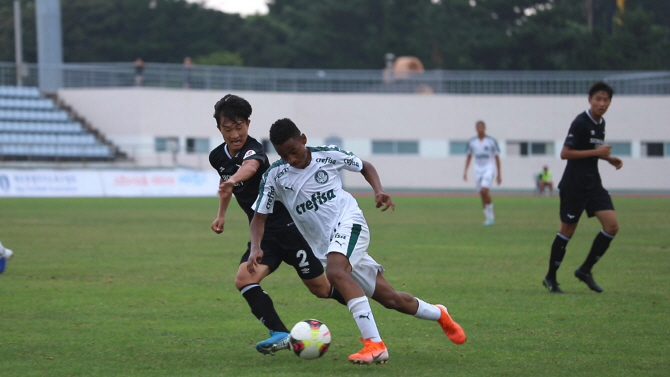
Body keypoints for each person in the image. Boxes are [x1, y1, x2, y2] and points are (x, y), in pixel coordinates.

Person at [249, 119, 466, 365]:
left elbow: (365, 166)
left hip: (349, 222)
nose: (291, 159)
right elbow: (259, 217)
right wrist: (256, 246)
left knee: (335, 273)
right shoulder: (275, 176)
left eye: (294, 151)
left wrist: (378, 189)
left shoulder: (328, 155)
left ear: (303, 139)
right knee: (391, 299)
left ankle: (375, 344)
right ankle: (440, 313)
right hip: (327, 246)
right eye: (283, 155)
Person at [208, 94, 346, 355]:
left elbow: (249, 167)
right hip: (262, 234)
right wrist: (221, 215)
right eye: (228, 129)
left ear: (248, 124)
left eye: (239, 127)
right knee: (244, 279)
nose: (235, 134)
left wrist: (235, 178)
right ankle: (280, 332)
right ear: (219, 129)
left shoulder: (254, 149)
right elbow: (226, 188)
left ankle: (361, 303)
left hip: (289, 230)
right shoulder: (217, 156)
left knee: (322, 288)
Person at [543, 81, 623, 294]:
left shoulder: (600, 123)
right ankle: (550, 277)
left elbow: (592, 149)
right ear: (590, 100)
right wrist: (598, 154)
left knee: (612, 226)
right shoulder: (580, 122)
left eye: (606, 100)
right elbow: (565, 153)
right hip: (574, 185)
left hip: (593, 184)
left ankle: (585, 270)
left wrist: (609, 159)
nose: (602, 103)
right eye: (598, 99)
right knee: (567, 230)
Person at [463, 120, 502, 226]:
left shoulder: (491, 141)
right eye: (478, 127)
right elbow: (469, 156)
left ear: (485, 128)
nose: (480, 129)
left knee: (485, 191)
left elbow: (497, 157)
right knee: (481, 193)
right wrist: (465, 171)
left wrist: (499, 174)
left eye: (482, 127)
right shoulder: (472, 142)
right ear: (476, 129)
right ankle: (488, 217)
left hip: (489, 168)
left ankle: (491, 215)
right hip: (477, 169)